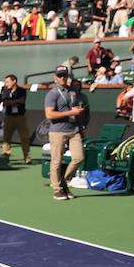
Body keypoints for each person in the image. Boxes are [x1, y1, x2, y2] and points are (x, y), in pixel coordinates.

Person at [44, 66, 87, 201]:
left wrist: (80, 126)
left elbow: (76, 110)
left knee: (79, 158)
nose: (62, 78)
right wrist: (71, 113)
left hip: (74, 130)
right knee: (56, 161)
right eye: (60, 75)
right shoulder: (52, 93)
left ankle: (63, 181)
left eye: (64, 75)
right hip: (58, 131)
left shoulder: (73, 92)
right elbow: (49, 114)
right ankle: (57, 189)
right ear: (55, 77)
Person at [0, 74, 31, 163]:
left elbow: (22, 101)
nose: (6, 84)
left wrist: (11, 101)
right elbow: (5, 102)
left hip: (20, 117)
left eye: (8, 82)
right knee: (6, 138)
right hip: (9, 117)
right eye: (5, 82)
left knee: (24, 137)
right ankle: (6, 155)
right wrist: (15, 101)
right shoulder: (5, 91)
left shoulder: (22, 91)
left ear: (14, 81)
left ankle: (27, 157)